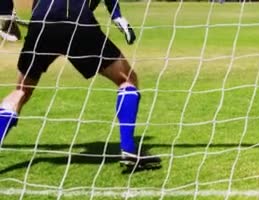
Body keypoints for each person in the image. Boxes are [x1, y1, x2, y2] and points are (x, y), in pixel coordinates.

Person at [0, 0, 161, 171]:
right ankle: (128, 149)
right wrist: (117, 16)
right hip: (77, 20)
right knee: (127, 79)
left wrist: (4, 10)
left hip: (41, 20)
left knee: (21, 91)